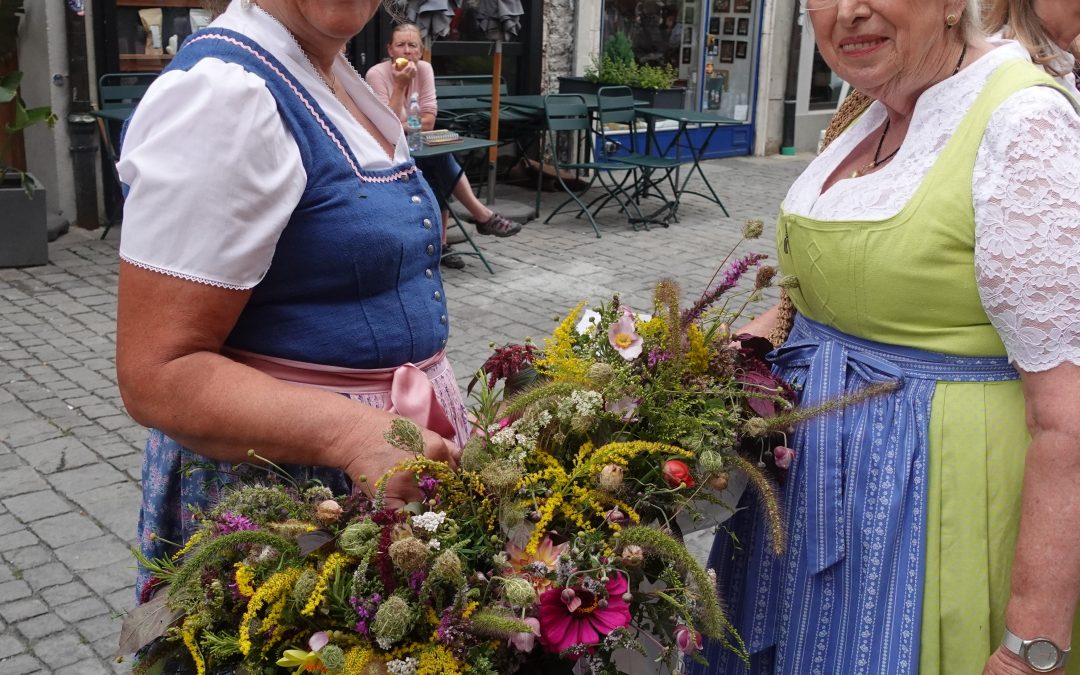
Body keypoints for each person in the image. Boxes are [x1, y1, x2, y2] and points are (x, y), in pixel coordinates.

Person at [690, 0, 1080, 673]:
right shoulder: (862, 109)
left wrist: (1029, 647)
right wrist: (710, 361)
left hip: (934, 513)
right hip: (802, 511)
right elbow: (810, 296)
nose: (850, 12)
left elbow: (1069, 415)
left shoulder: (1023, 120)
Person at [115, 0, 472, 604]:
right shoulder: (226, 97)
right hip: (288, 501)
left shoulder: (334, 77)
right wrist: (352, 436)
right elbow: (156, 375)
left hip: (386, 472)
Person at [364, 22, 523, 271]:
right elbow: (387, 125)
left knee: (439, 161)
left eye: (412, 45)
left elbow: (429, 120)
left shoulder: (425, 70)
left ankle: (444, 243)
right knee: (438, 164)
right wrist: (400, 86)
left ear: (420, 50)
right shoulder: (377, 74)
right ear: (390, 49)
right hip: (389, 150)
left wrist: (408, 123)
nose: (406, 50)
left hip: (418, 145)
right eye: (400, 45)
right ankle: (478, 219)